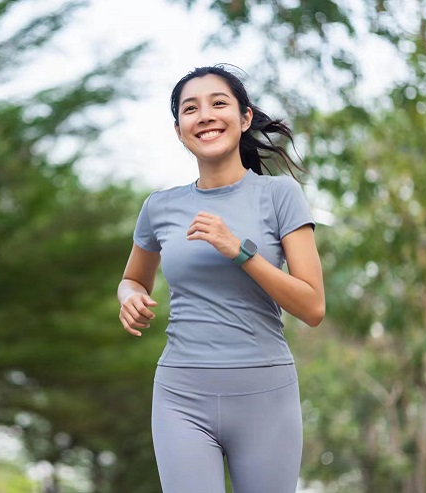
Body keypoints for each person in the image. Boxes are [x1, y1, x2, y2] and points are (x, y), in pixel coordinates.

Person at [117, 64, 325, 493]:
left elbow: (312, 307)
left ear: (244, 118)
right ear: (179, 130)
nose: (205, 115)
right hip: (181, 394)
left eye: (218, 103)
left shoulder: (280, 195)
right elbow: (133, 279)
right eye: (191, 109)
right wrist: (129, 296)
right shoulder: (160, 207)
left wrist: (240, 251)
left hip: (266, 394)